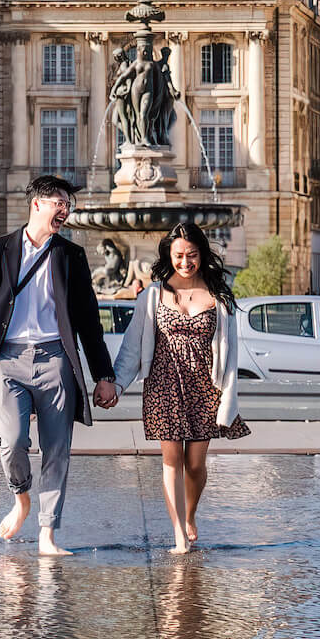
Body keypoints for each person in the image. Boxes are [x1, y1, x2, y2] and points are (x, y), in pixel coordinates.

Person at [0, 174, 117, 557]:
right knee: (12, 440)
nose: (65, 210)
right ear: (36, 204)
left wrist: (104, 375)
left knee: (57, 448)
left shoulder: (71, 256)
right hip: (7, 360)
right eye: (58, 203)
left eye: (68, 205)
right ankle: (22, 498)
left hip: (55, 359)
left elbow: (88, 321)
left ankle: (48, 534)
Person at [113, 221, 248, 555]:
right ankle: (178, 535)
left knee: (196, 464)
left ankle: (190, 514)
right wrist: (115, 383)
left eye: (191, 255)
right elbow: (132, 347)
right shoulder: (152, 295)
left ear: (201, 254)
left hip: (205, 387)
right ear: (168, 255)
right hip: (163, 385)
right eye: (178, 255)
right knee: (171, 460)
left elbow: (230, 355)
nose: (185, 262)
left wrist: (228, 396)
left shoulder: (219, 298)